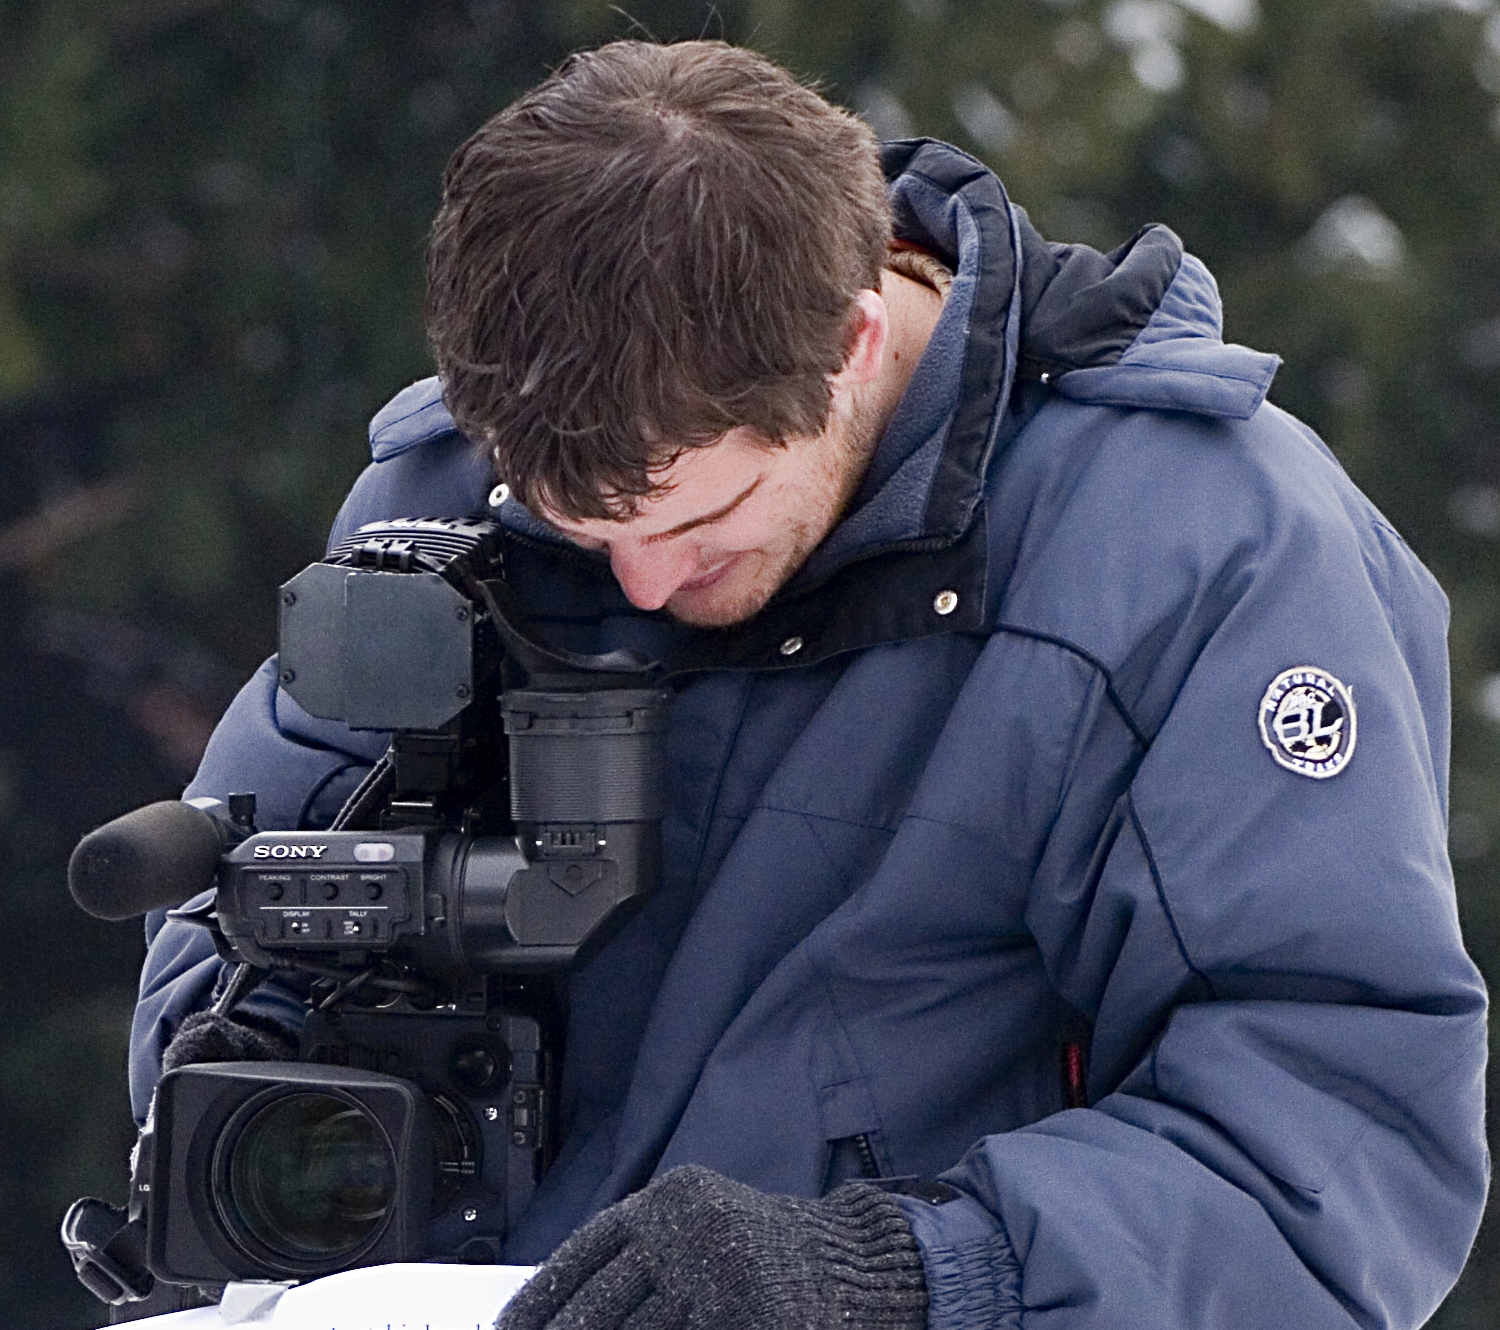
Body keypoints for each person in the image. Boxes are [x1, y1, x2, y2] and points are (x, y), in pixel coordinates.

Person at [128, 39, 1487, 1330]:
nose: (642, 587)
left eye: (696, 524)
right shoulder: (450, 496)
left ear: (847, 346)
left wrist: (907, 1276)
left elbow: (1339, 1136)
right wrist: (252, 1059)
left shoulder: (1196, 556)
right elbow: (237, 891)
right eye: (587, 539)